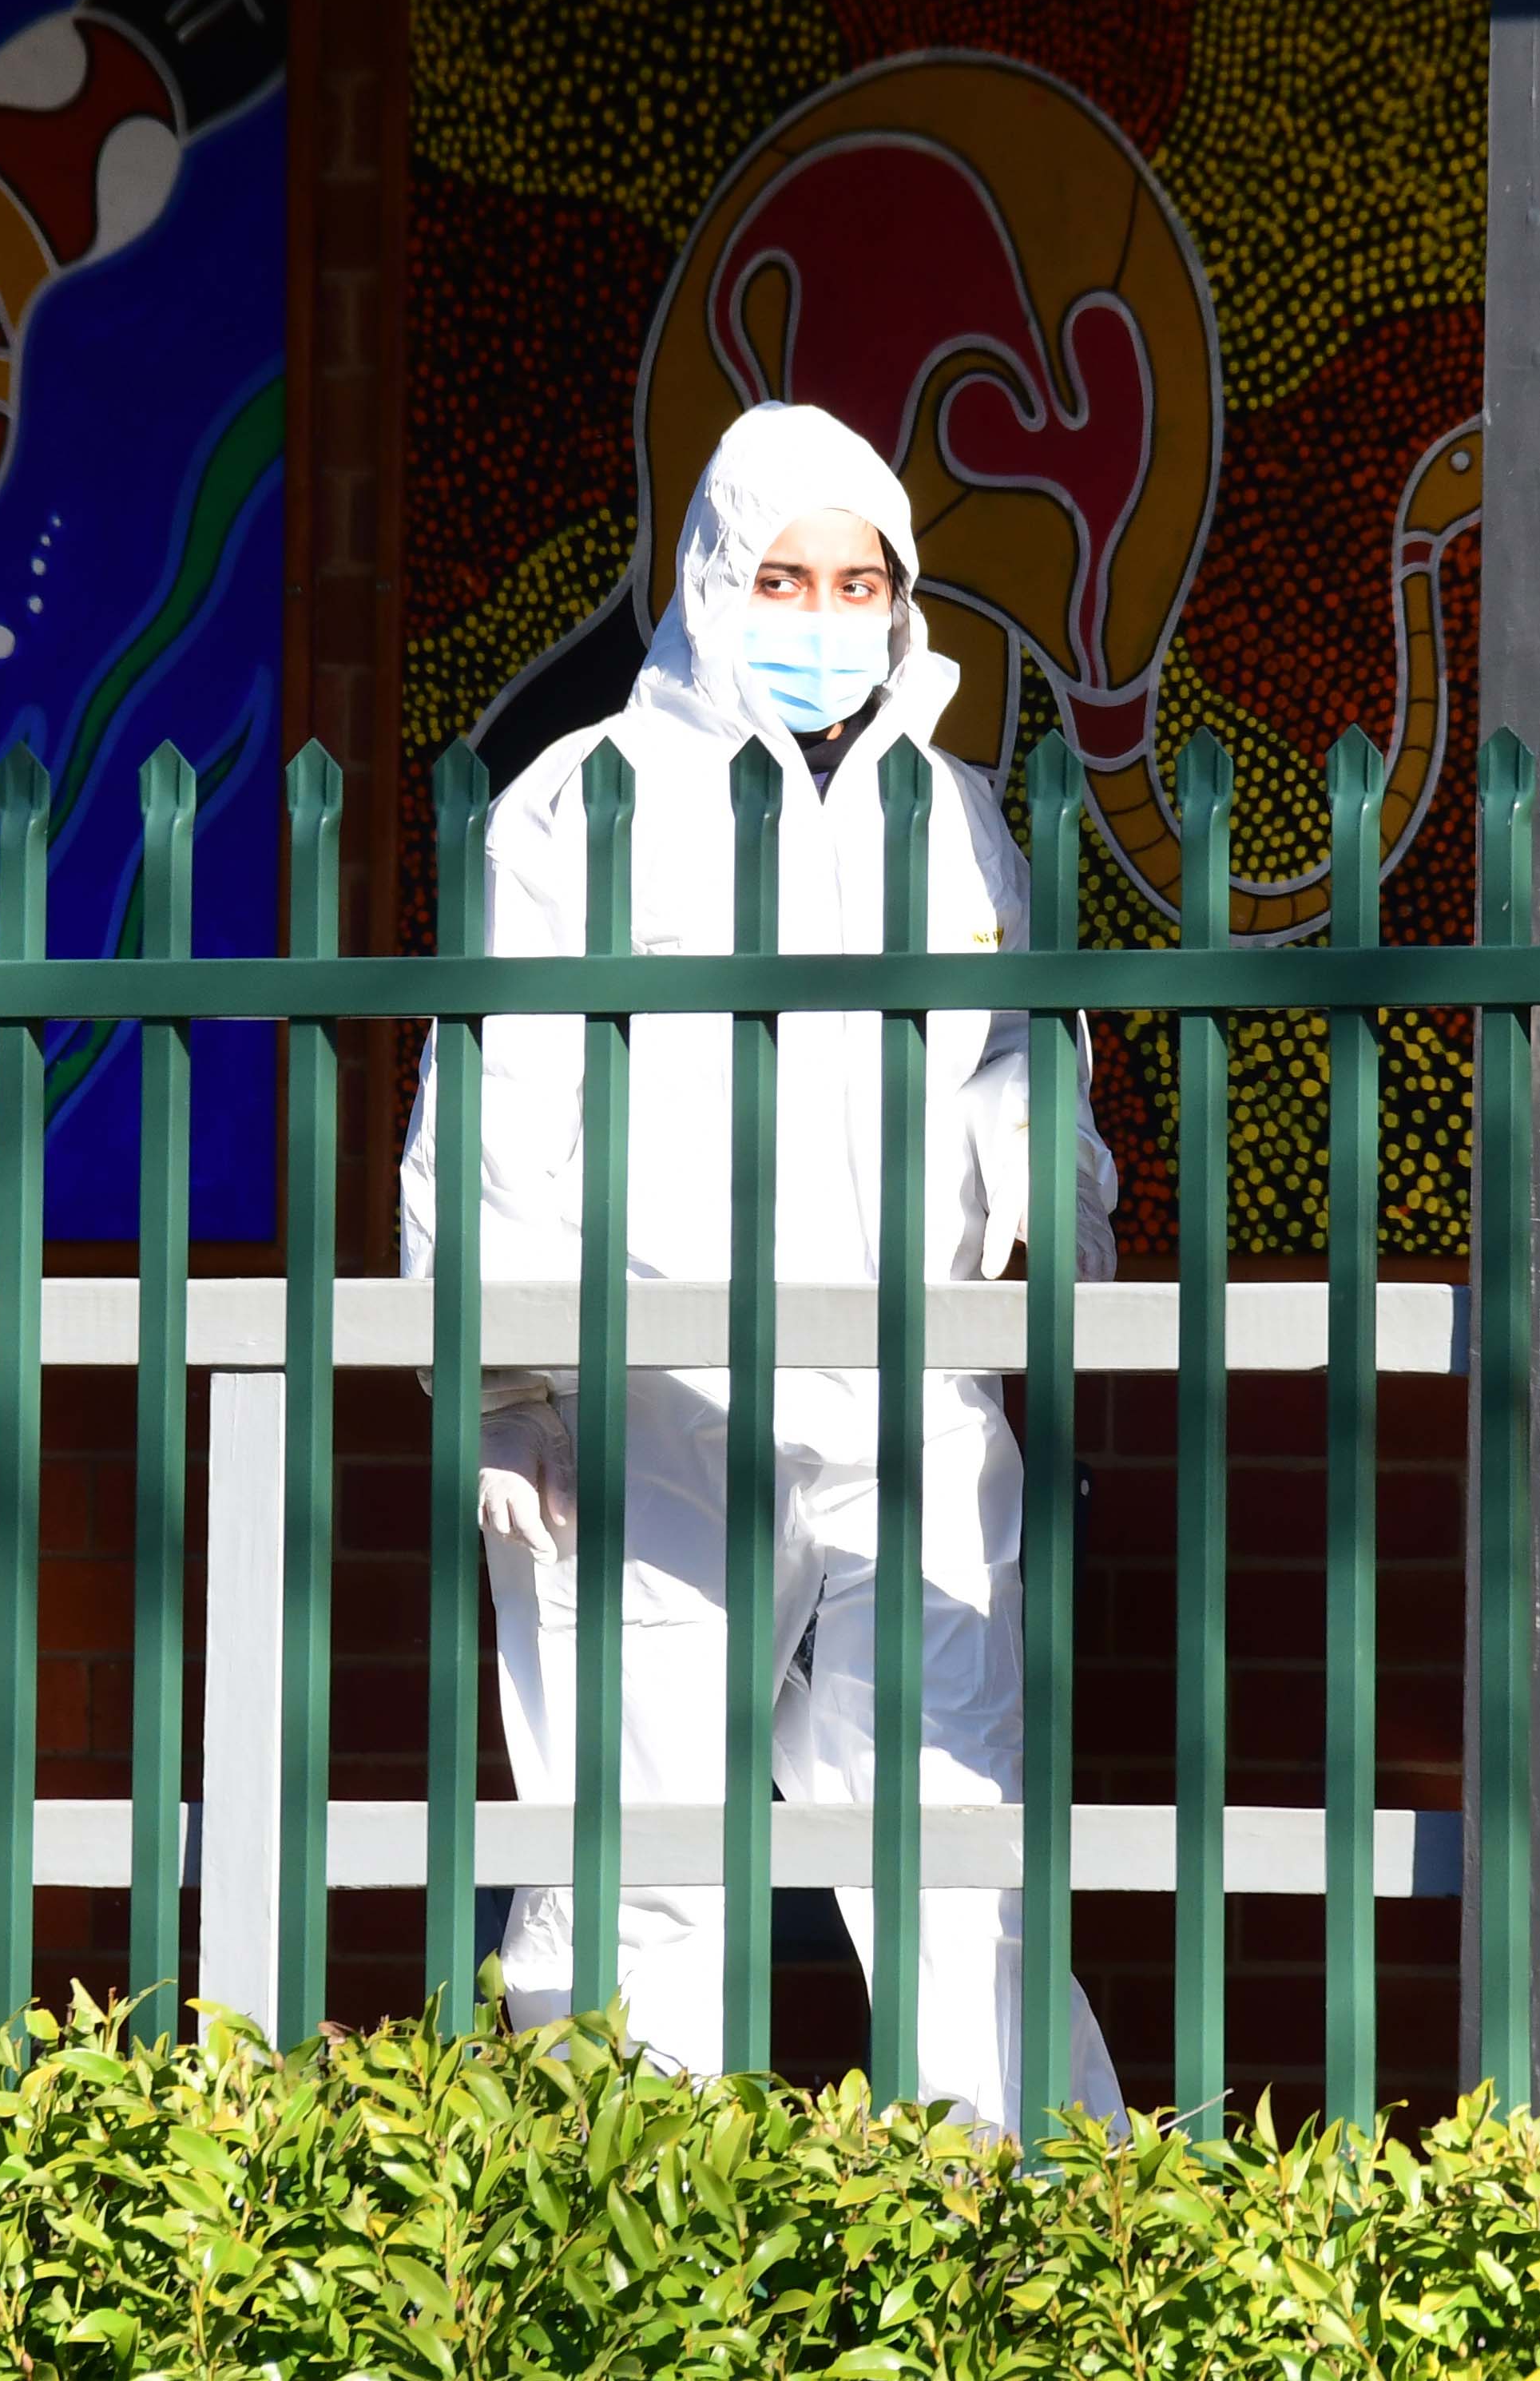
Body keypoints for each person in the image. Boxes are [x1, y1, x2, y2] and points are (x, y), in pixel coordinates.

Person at [399, 400, 1127, 2134]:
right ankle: (624, 2228)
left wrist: (1054, 1209)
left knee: (958, 1832)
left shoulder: (953, 819)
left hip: (916, 1396)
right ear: (710, 573)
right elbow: (490, 1095)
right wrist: (501, 1384)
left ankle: (1022, 2218)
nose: (824, 614)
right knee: (638, 1833)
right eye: (784, 574)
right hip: (656, 1399)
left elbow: (1028, 1060)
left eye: (860, 578)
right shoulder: (581, 810)